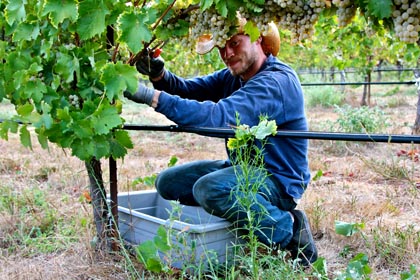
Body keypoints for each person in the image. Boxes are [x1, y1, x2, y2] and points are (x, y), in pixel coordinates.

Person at [124, 20, 318, 266]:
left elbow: (218, 117)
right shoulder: (235, 77)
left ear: (258, 38)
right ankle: (243, 219)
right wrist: (159, 75)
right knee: (168, 183)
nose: (227, 54)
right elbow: (189, 90)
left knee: (210, 189)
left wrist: (151, 97)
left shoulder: (275, 82)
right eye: (221, 48)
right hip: (241, 167)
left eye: (234, 43)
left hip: (277, 180)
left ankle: (288, 228)